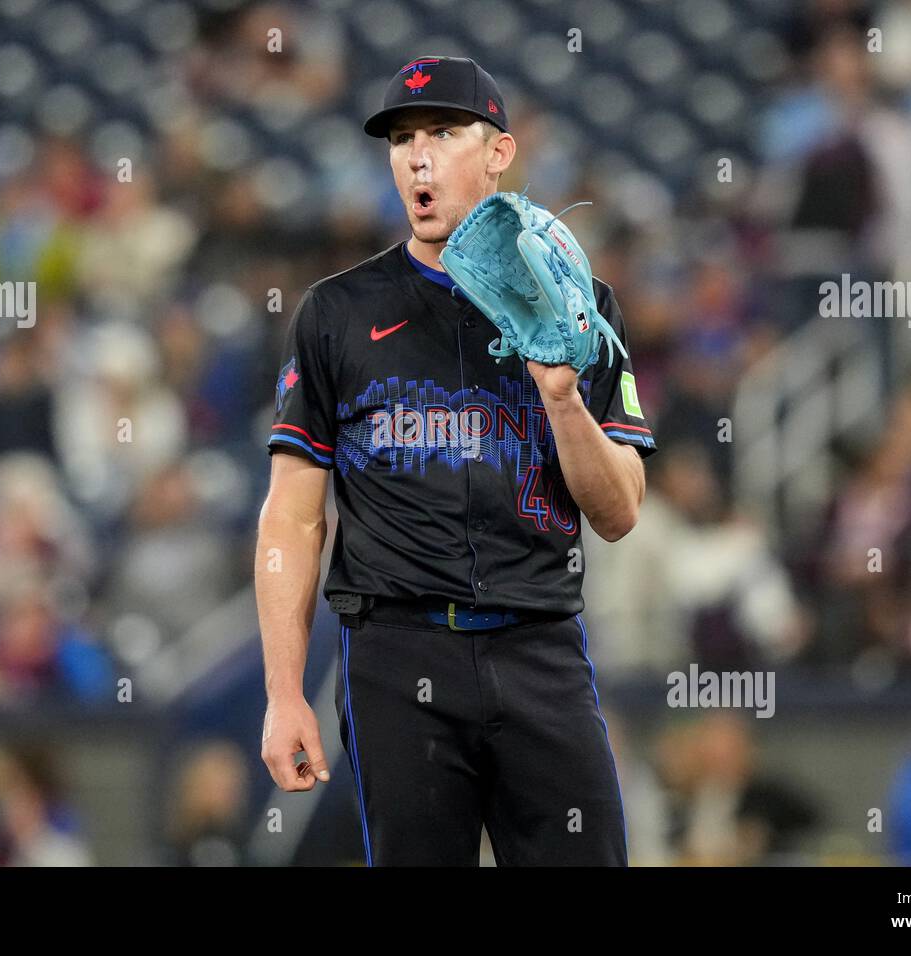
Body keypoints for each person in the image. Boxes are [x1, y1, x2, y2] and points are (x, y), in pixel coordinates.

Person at [255, 56, 658, 866]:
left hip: (537, 645)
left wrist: (561, 396)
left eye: (443, 131)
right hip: (397, 656)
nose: (418, 155)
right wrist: (282, 691)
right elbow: (293, 514)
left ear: (499, 151)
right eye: (402, 138)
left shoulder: (583, 306)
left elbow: (618, 513)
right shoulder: (336, 312)